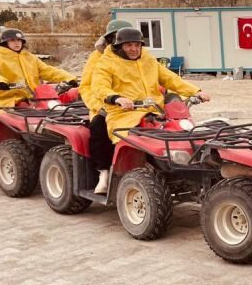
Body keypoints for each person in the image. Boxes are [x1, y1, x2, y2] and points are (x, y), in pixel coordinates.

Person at [90, 27, 210, 190]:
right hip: (124, 114)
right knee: (119, 135)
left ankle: (185, 168)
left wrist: (196, 91)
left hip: (155, 111)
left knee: (181, 132)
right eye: (129, 45)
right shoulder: (105, 63)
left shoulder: (149, 60)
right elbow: (99, 86)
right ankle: (105, 174)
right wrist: (117, 98)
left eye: (137, 45)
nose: (134, 49)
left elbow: (170, 79)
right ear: (119, 46)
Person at [79, 19, 133, 193]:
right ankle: (104, 173)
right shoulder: (97, 59)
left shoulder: (136, 56)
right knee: (98, 127)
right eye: (115, 37)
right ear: (109, 39)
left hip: (133, 105)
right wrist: (98, 106)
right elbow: (86, 87)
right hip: (104, 105)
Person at [0, 28, 77, 108]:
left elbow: (47, 70)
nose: (16, 43)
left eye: (19, 40)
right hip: (7, 99)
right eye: (12, 40)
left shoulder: (30, 57)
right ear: (4, 42)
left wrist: (68, 78)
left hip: (35, 98)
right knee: (7, 119)